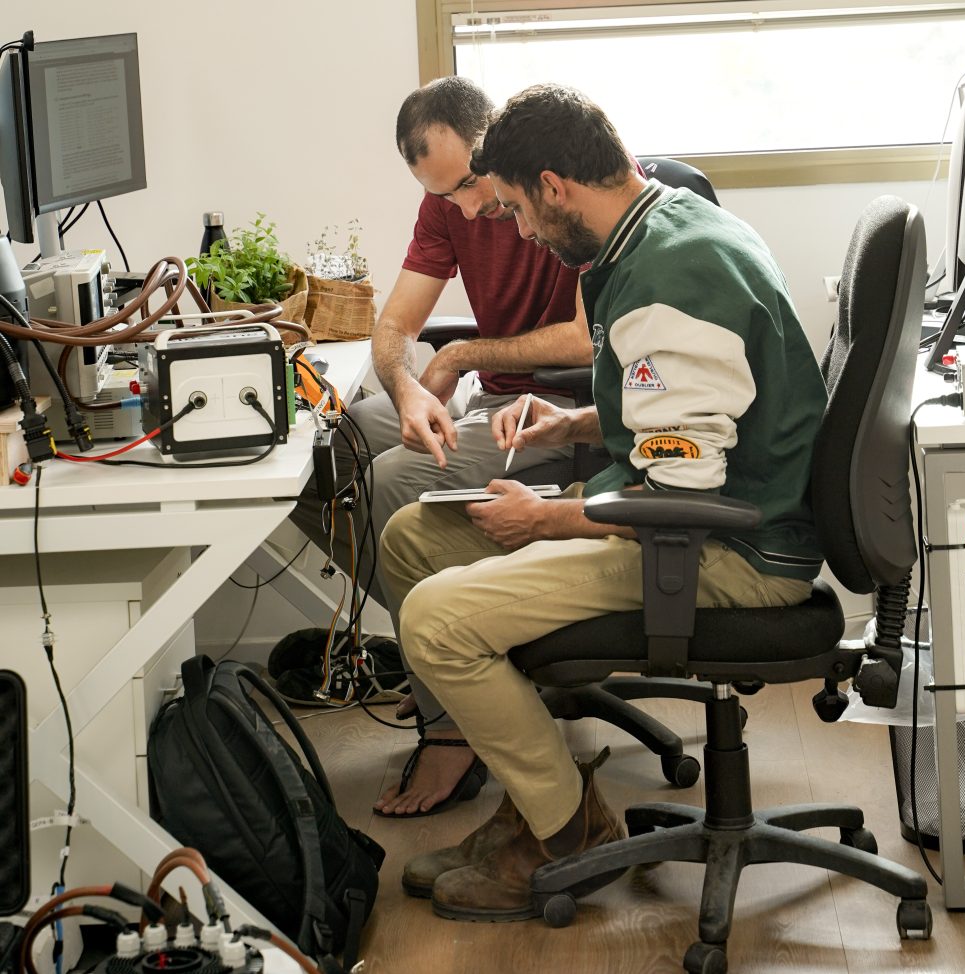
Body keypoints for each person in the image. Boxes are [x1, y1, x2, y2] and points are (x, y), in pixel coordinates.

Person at [375, 83, 828, 921]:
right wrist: (573, 423)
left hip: (724, 552)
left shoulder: (670, 277)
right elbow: (687, 416)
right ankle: (534, 791)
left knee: (435, 620)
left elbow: (679, 488)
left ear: (554, 186)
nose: (518, 231)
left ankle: (562, 830)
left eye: (517, 210)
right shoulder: (660, 226)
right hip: (683, 514)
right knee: (414, 537)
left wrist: (543, 519)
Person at [285, 76, 592, 817]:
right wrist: (409, 390)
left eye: (469, 184)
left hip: (557, 407)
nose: (466, 206)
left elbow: (587, 341)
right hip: (487, 398)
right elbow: (394, 328)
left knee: (393, 480)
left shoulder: (559, 186)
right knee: (320, 452)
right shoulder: (449, 203)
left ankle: (450, 721)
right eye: (443, 193)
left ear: (498, 146)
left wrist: (458, 356)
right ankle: (461, 657)